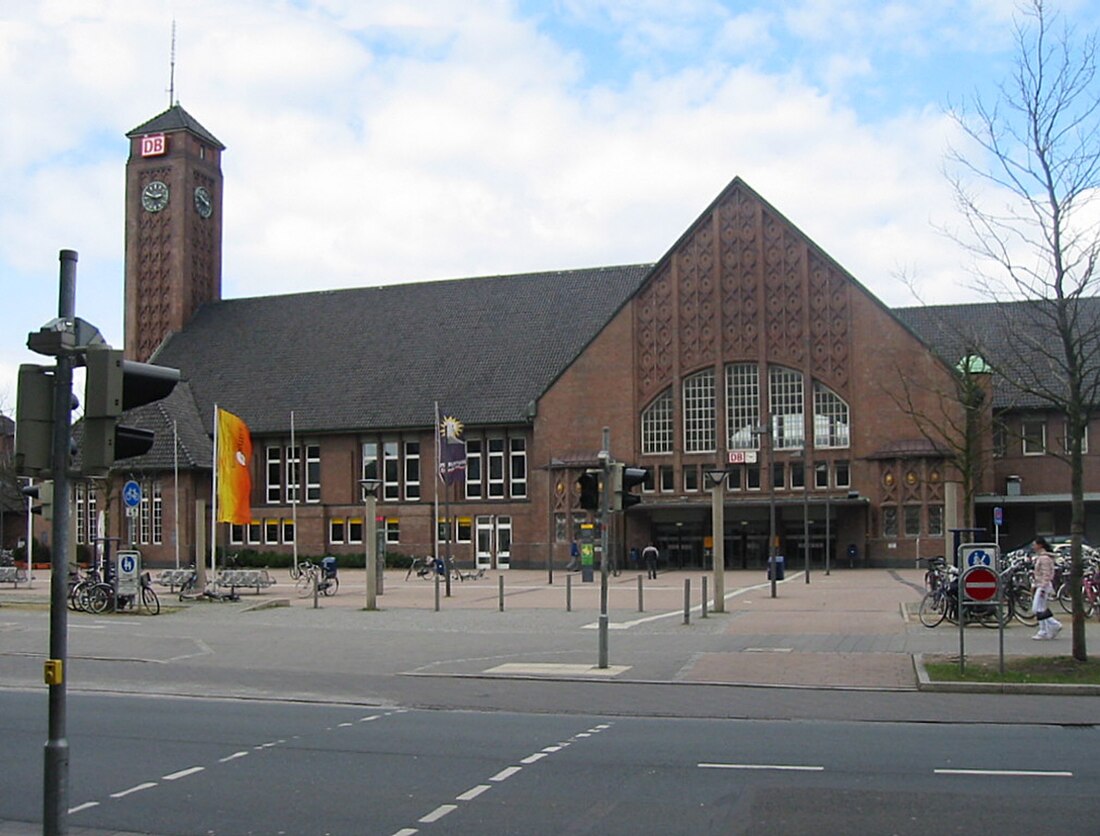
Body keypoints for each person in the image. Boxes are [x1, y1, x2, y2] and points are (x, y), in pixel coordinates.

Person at [1031, 536, 1063, 640]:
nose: (1033, 546)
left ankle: (1053, 625)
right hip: (1041, 585)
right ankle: (1044, 630)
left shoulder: (1044, 558)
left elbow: (1046, 574)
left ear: (1040, 545)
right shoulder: (1042, 557)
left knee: (1037, 609)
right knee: (1041, 608)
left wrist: (1042, 586)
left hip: (1043, 586)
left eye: (1034, 544)